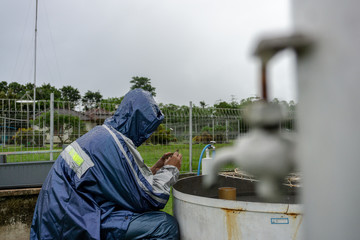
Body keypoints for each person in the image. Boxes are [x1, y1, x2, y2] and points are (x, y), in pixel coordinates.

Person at [30, 89, 182, 240]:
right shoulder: (116, 144)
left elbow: (120, 181)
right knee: (164, 226)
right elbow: (151, 199)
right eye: (147, 127)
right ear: (138, 121)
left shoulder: (102, 135)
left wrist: (154, 170)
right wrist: (171, 169)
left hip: (56, 220)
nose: (147, 135)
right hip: (76, 222)